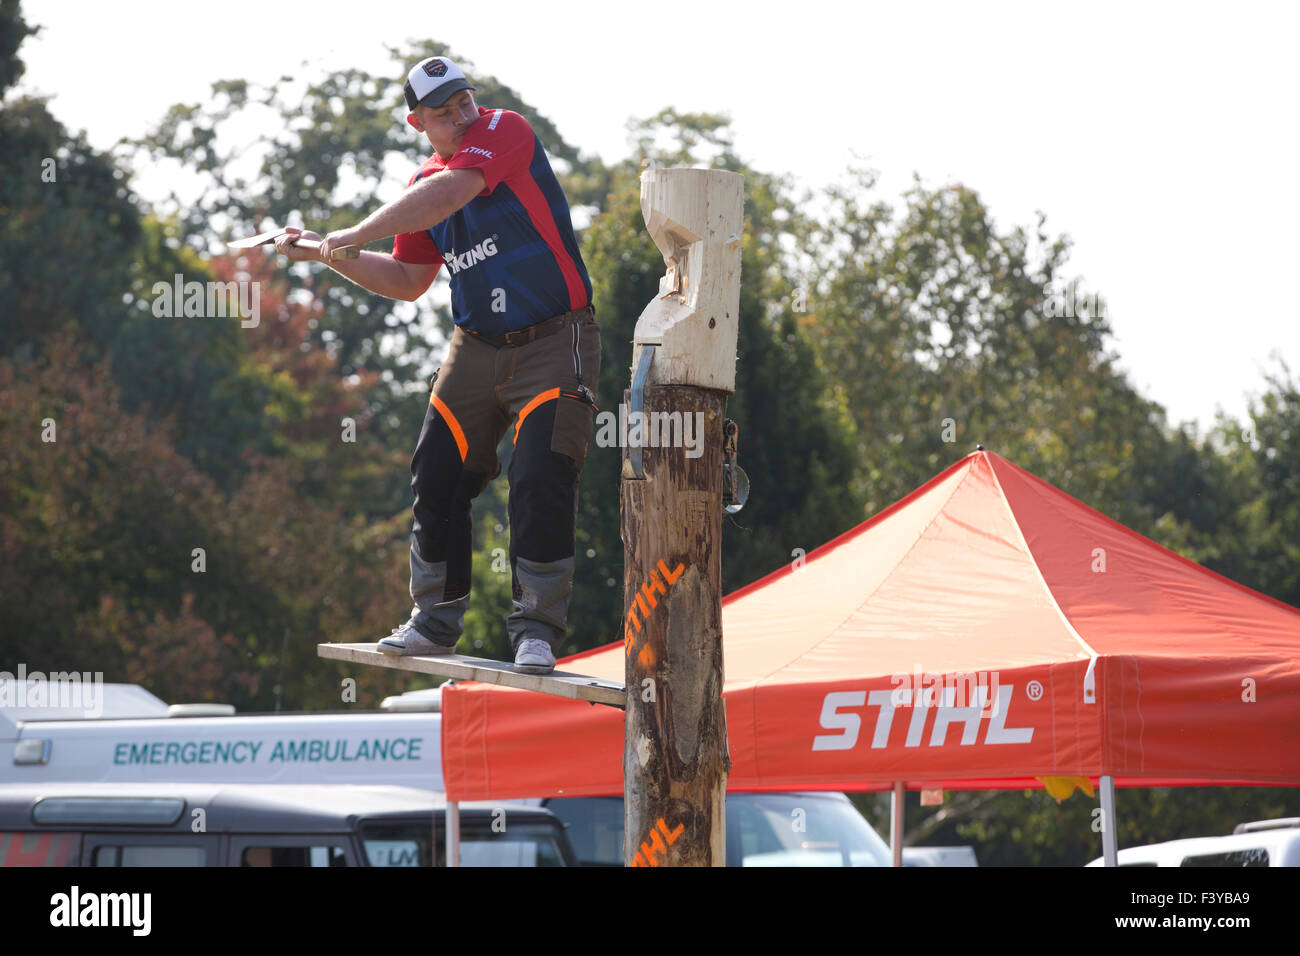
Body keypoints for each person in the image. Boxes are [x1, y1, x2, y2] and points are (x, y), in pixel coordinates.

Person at [274, 55, 599, 675]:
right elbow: (405, 280)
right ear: (416, 121)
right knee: (436, 470)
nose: (461, 115)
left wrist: (345, 234)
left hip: (555, 340)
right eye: (443, 111)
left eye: (464, 101)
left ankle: (536, 628)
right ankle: (434, 621)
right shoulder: (419, 188)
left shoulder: (505, 131)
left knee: (538, 474)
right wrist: (325, 254)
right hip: (474, 347)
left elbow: (450, 194)